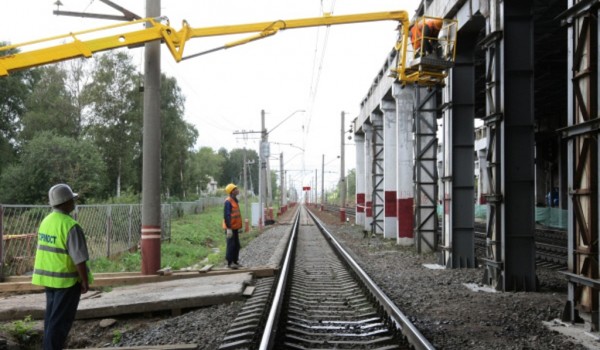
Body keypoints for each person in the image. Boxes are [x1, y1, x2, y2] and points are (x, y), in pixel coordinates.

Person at [32, 183, 93, 350]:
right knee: (59, 324)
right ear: (66, 202)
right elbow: (79, 259)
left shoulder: (46, 221)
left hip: (49, 280)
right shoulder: (70, 226)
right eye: (72, 199)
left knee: (51, 321)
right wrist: (85, 281)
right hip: (66, 283)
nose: (74, 201)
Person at [223, 183, 243, 269]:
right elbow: (227, 215)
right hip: (230, 227)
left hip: (235, 227)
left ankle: (235, 261)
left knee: (236, 245)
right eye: (235, 189)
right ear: (232, 192)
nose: (237, 190)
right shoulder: (228, 201)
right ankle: (230, 262)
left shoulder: (234, 200)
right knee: (231, 245)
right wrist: (229, 228)